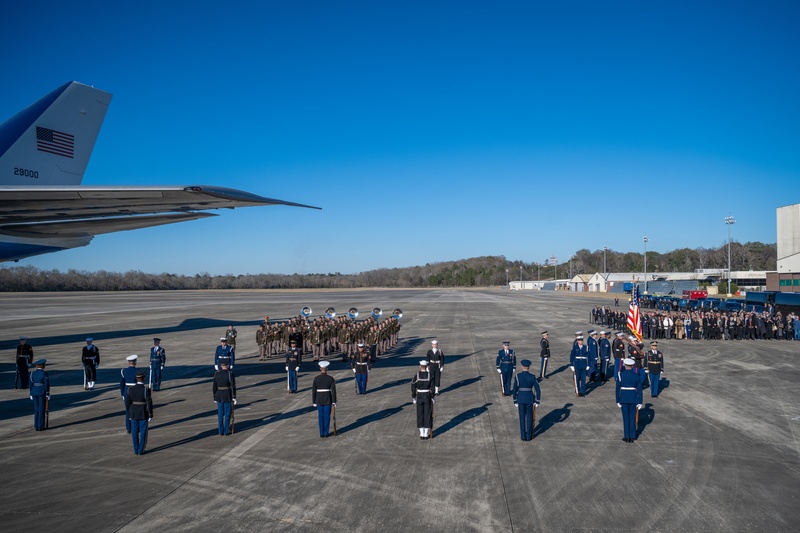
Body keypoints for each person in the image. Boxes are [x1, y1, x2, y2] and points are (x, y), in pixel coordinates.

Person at [512, 359, 541, 441]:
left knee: (522, 418)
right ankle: (528, 436)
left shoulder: (518, 376)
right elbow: (538, 389)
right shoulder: (532, 376)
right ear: (529, 367)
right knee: (529, 417)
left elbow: (514, 389)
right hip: (529, 399)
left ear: (522, 367)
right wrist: (537, 400)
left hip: (520, 398)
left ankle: (523, 436)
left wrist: (515, 400)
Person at [616, 358, 643, 443]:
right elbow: (639, 390)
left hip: (623, 398)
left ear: (625, 365)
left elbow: (617, 389)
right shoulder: (636, 376)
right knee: (632, 417)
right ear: (632, 366)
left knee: (625, 418)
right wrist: (640, 401)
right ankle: (632, 436)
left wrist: (617, 400)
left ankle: (626, 436)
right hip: (633, 398)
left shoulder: (621, 375)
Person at [125, 371, 153, 455]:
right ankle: (141, 450)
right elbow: (149, 402)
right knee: (143, 431)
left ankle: (136, 449)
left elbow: (127, 403)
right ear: (143, 379)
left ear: (136, 379)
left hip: (133, 412)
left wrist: (129, 413)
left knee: (134, 431)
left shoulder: (130, 389)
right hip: (143, 412)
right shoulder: (145, 389)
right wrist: (150, 414)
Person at [312, 361, 337, 438]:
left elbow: (313, 391)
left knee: (320, 416)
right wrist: (334, 401)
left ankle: (321, 433)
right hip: (327, 399)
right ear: (327, 369)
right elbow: (333, 391)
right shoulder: (330, 379)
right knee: (327, 416)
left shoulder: (316, 379)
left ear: (320, 369)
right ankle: (326, 433)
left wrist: (314, 401)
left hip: (319, 399)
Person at [212, 358, 236, 436]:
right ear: (227, 365)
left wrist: (214, 396)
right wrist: (234, 397)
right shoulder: (229, 373)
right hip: (227, 395)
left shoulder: (217, 373)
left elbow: (214, 386)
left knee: (220, 414)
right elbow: (232, 386)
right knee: (227, 414)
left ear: (221, 365)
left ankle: (220, 431)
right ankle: (226, 431)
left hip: (219, 395)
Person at [411, 360, 434, 439]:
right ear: (427, 366)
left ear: (420, 366)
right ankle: (426, 434)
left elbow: (413, 387)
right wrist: (433, 397)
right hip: (427, 395)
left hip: (419, 395)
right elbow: (433, 387)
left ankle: (421, 433)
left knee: (420, 414)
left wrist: (413, 397)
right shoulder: (429, 375)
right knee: (427, 414)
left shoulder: (416, 376)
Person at [120, 355, 139, 434]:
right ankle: (136, 427)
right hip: (135, 391)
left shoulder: (123, 371)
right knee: (136, 411)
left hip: (126, 392)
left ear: (128, 362)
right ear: (135, 362)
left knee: (128, 411)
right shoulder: (138, 371)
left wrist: (122, 394)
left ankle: (128, 428)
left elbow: (121, 384)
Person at [29, 359, 50, 431]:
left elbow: (31, 384)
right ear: (43, 366)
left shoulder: (32, 373)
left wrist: (31, 393)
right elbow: (46, 384)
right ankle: (41, 426)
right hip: (41, 392)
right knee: (41, 409)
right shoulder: (44, 374)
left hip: (34, 392)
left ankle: (36, 426)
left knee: (36, 409)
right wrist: (47, 393)